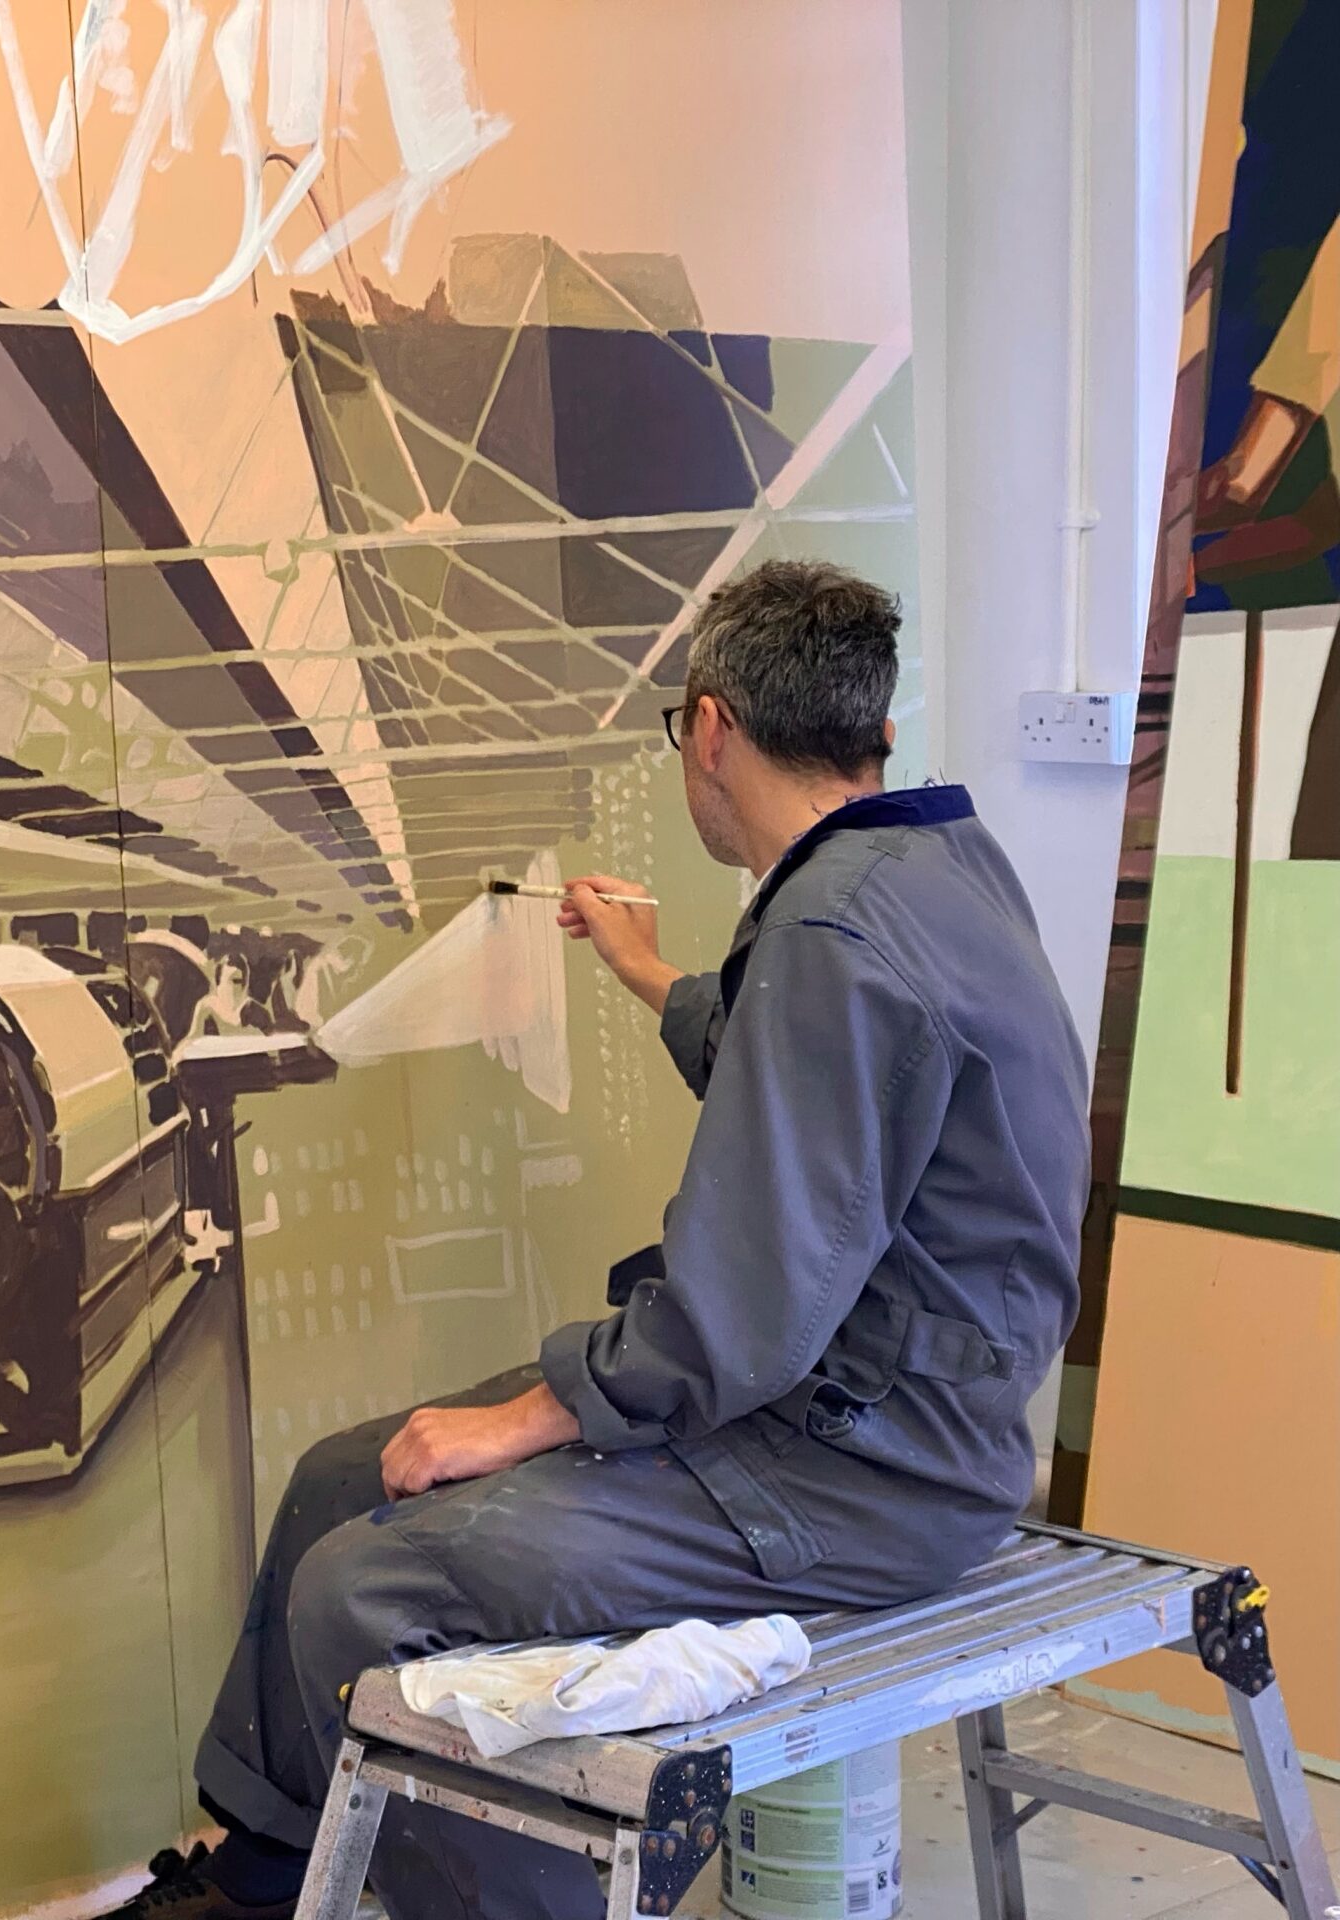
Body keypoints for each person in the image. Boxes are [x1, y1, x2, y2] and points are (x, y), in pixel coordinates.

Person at [109, 560, 1090, 1919]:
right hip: (884, 1420)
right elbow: (813, 1079)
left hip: (864, 1471)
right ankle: (270, 1878)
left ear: (707, 728)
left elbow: (736, 1320)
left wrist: (521, 1419)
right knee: (346, 1473)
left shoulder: (832, 927)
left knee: (363, 1589)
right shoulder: (934, 872)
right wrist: (645, 972)